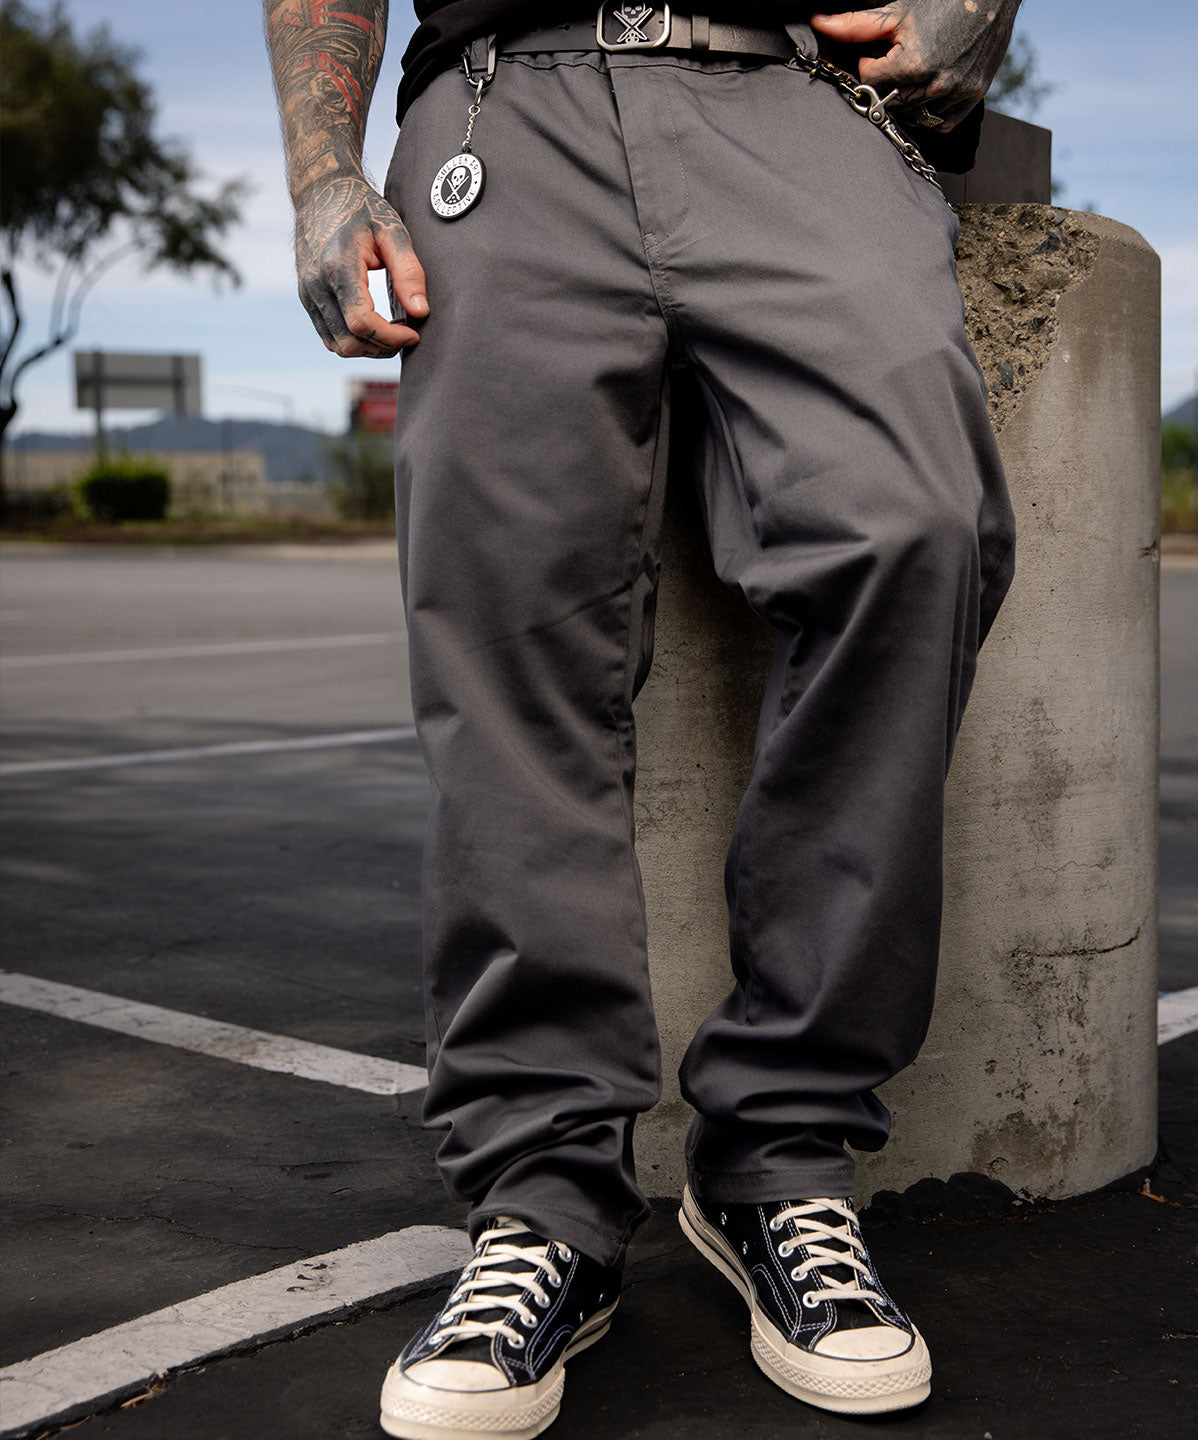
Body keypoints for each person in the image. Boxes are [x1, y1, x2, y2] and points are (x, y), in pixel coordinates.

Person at [265, 2, 1020, 1435]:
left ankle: (778, 1159)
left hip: (794, 89)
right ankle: (545, 1197)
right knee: (507, 613)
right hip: (502, 94)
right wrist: (323, 170)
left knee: (912, 532)